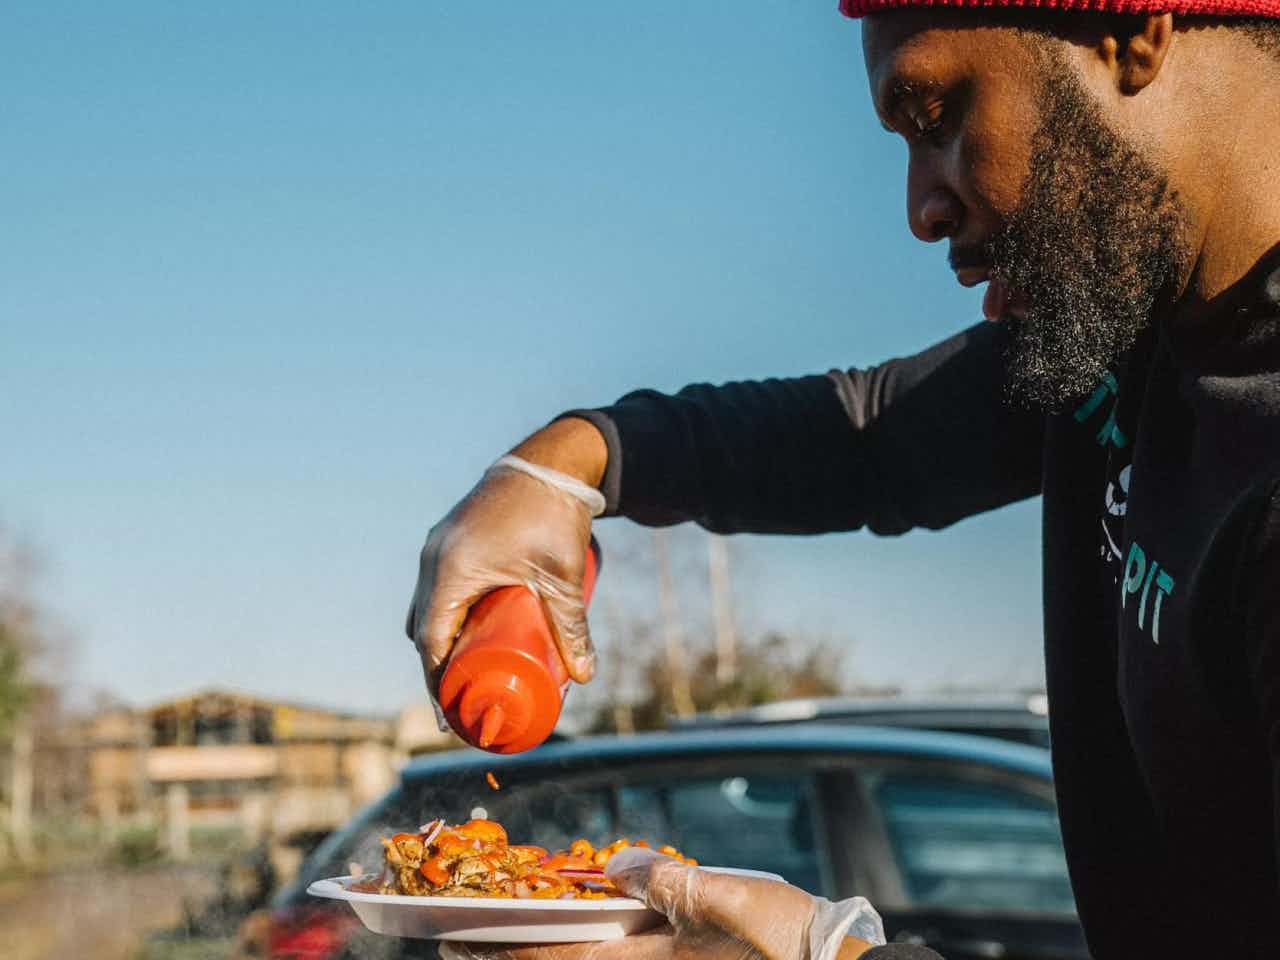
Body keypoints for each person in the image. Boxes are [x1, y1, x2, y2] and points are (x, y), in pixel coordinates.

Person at [405, 1, 1280, 957]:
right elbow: (867, 439)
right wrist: (563, 466)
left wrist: (826, 953)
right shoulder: (1125, 331)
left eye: (937, 117)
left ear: (1132, 32)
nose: (921, 210)